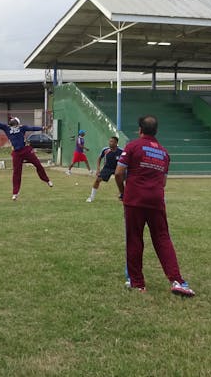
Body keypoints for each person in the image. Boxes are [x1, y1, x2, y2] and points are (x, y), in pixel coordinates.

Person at [114, 115, 195, 296]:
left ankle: (138, 283)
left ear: (140, 130)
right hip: (156, 200)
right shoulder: (164, 153)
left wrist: (123, 192)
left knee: (134, 238)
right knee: (162, 238)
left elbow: (119, 173)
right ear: (156, 131)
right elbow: (163, 182)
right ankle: (177, 281)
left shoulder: (132, 146)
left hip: (135, 199)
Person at [0, 105, 53, 201]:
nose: (12, 120)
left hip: (26, 150)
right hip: (16, 153)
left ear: (17, 123)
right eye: (11, 120)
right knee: (16, 173)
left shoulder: (22, 128)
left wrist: (43, 128)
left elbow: (33, 128)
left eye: (14, 120)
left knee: (38, 164)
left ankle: (47, 180)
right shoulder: (6, 128)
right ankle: (15, 193)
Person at [86, 136, 123, 202]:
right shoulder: (105, 150)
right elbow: (99, 159)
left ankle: (122, 195)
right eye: (110, 141)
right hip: (107, 168)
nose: (110, 143)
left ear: (116, 143)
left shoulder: (121, 151)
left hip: (117, 168)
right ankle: (91, 197)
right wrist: (98, 169)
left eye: (112, 141)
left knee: (124, 181)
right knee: (97, 180)